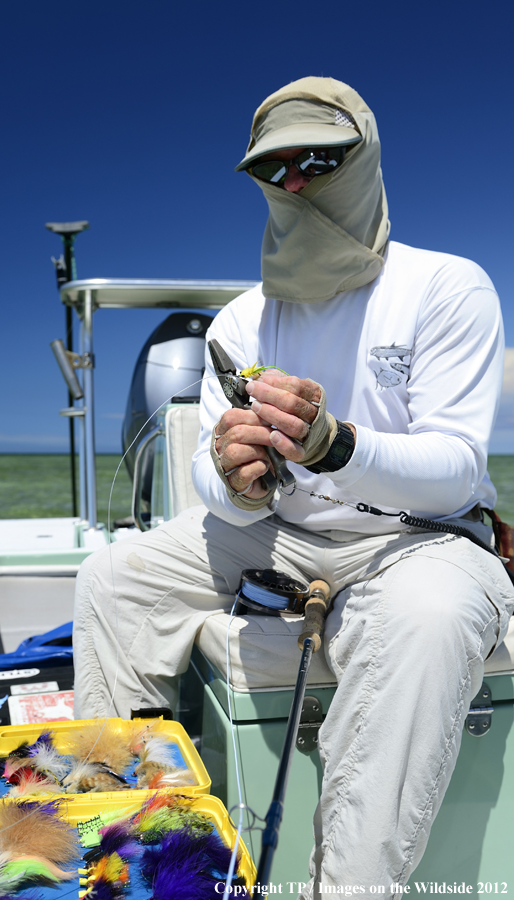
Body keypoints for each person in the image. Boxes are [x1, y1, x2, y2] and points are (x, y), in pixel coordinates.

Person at [73, 77, 514, 896]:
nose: (297, 183)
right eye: (276, 170)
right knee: (114, 578)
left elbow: (454, 465)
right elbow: (212, 479)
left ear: (365, 160)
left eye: (319, 160)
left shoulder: (447, 286)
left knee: (429, 618)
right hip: (278, 531)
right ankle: (119, 823)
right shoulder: (239, 321)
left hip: (419, 540)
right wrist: (235, 480)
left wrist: (334, 442)